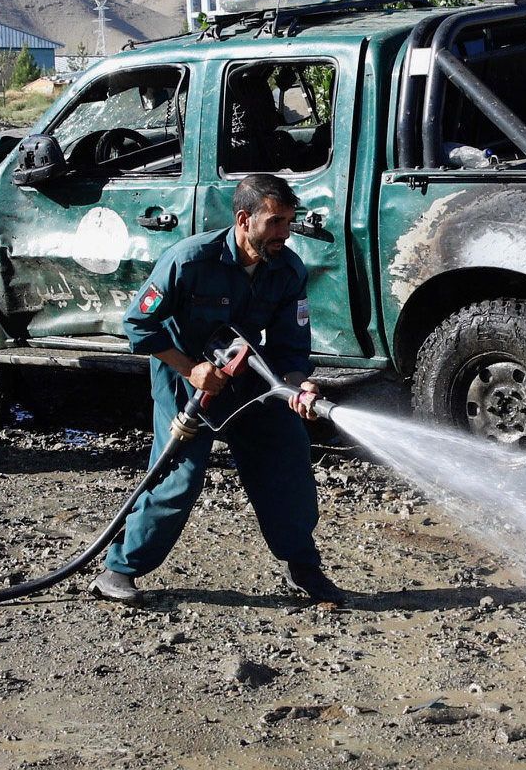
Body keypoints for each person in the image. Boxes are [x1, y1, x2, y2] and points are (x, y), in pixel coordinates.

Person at [93, 173, 345, 607]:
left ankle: (303, 568)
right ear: (245, 219)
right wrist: (191, 371)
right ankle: (119, 569)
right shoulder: (189, 260)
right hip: (183, 378)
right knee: (180, 474)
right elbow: (137, 325)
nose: (285, 233)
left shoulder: (288, 269)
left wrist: (297, 386)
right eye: (276, 222)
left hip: (245, 373)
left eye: (290, 221)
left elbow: (289, 347)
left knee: (286, 454)